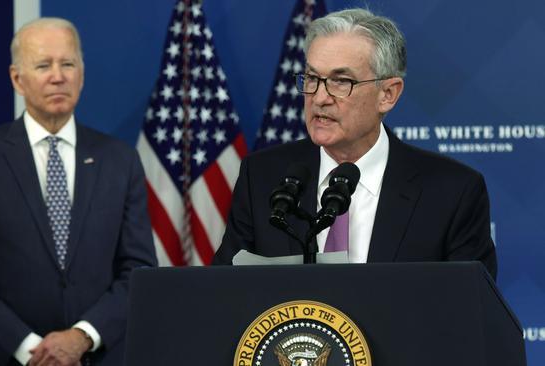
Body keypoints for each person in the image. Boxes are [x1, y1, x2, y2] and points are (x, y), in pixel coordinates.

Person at [212, 8, 497, 279]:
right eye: (312, 78)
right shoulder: (262, 177)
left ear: (387, 94)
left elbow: (470, 315)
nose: (319, 97)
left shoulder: (452, 192)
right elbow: (225, 293)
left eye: (341, 81)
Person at [0, 17, 156, 365]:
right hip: (8, 358)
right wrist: (32, 349)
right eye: (43, 65)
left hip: (97, 357)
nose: (58, 76)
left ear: (82, 75)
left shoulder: (120, 160)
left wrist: (82, 337)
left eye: (67, 64)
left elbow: (139, 268)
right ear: (17, 79)